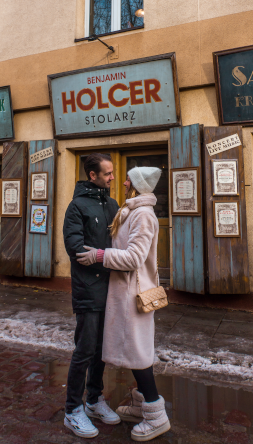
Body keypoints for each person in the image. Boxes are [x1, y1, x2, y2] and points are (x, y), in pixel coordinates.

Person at [77, 166, 170, 442]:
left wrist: (98, 255)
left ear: (138, 184)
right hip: (124, 292)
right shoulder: (131, 210)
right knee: (135, 350)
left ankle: (156, 416)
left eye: (130, 178)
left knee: (138, 353)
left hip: (133, 295)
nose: (124, 181)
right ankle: (143, 403)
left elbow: (133, 258)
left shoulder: (143, 215)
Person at [63, 152, 121, 438]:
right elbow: (76, 247)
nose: (112, 177)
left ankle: (95, 400)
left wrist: (101, 255)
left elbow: (121, 242)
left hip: (112, 288)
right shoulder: (77, 206)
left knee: (102, 350)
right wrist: (104, 256)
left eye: (112, 173)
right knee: (85, 350)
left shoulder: (112, 204)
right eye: (108, 173)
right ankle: (73, 410)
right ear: (93, 176)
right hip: (88, 289)